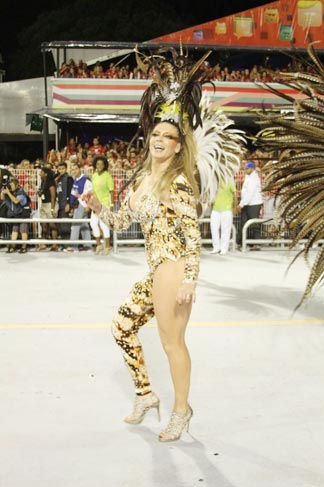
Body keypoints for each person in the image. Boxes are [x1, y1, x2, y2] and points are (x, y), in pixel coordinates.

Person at [82, 48, 244, 442]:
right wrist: (99, 207)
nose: (159, 139)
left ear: (177, 146)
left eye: (168, 137)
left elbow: (193, 237)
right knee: (122, 326)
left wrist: (190, 279)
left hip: (172, 270)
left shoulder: (179, 184)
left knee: (172, 344)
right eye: (156, 133)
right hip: (155, 271)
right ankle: (146, 395)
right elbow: (123, 221)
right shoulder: (142, 181)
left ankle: (182, 411)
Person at [64, 162, 92, 253]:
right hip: (77, 205)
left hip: (82, 204)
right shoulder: (76, 180)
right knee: (84, 225)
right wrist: (71, 205)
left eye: (76, 169)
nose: (74, 171)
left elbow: (90, 193)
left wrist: (88, 205)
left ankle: (73, 247)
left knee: (75, 225)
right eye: (72, 169)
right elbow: (74, 194)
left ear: (80, 169)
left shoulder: (85, 179)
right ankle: (88, 246)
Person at [89, 155, 114, 255]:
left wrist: (111, 205)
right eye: (97, 164)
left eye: (101, 164)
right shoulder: (94, 175)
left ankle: (108, 247)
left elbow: (111, 191)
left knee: (104, 225)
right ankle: (99, 245)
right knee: (93, 224)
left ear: (105, 165)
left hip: (105, 203)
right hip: (95, 204)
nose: (99, 165)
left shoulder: (107, 175)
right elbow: (93, 190)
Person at [0, 177, 31, 253]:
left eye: (12, 185)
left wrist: (8, 193)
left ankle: (24, 247)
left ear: (17, 185)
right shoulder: (9, 191)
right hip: (15, 214)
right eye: (9, 185)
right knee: (14, 230)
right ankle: (12, 247)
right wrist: (3, 192)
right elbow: (2, 198)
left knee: (23, 230)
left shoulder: (21, 192)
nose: (10, 186)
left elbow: (16, 201)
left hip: (23, 214)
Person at [237, 161, 263, 250]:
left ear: (252, 169)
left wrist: (241, 204)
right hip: (247, 204)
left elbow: (250, 193)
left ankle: (256, 243)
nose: (245, 170)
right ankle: (241, 243)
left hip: (253, 204)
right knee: (243, 223)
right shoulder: (248, 177)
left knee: (254, 224)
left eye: (247, 168)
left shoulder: (254, 178)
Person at [210, 177, 237, 255]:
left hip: (226, 209)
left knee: (225, 230)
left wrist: (235, 207)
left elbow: (235, 195)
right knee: (214, 228)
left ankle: (224, 248)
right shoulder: (214, 182)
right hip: (215, 209)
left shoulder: (230, 180)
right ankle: (216, 247)